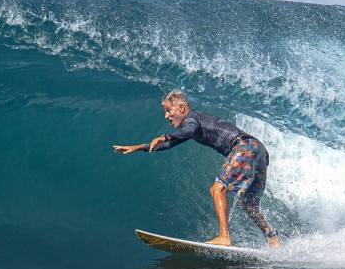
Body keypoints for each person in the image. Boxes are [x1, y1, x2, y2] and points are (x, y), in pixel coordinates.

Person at [114, 90, 281, 248]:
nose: (166, 116)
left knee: (217, 189)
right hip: (258, 150)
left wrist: (164, 136)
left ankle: (224, 237)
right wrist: (137, 147)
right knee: (249, 204)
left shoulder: (192, 119)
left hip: (244, 147)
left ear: (181, 108)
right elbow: (169, 143)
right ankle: (272, 239)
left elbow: (188, 131)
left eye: (168, 111)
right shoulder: (191, 125)